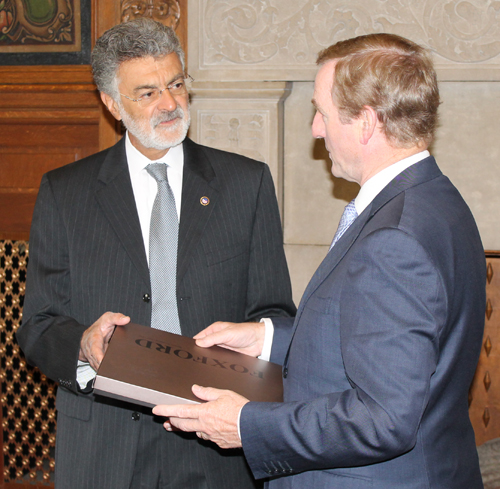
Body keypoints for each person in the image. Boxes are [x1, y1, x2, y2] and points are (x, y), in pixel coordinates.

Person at [153, 33, 487, 488]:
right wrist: (267, 338)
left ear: (366, 122)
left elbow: (384, 417)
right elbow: (377, 340)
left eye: (322, 112)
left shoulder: (395, 238)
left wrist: (247, 424)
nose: (314, 128)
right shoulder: (436, 200)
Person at [17, 18, 295, 489]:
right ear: (111, 103)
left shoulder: (246, 184)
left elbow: (274, 314)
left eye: (176, 84)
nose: (169, 104)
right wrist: (84, 347)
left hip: (217, 444)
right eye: (147, 93)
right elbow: (39, 324)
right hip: (105, 445)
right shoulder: (66, 193)